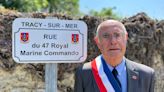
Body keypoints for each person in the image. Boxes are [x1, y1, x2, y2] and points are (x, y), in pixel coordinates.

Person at [74, 20, 155, 92]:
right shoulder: (84, 73)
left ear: (125, 38)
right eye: (106, 36)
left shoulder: (146, 75)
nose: (113, 41)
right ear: (98, 42)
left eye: (117, 35)